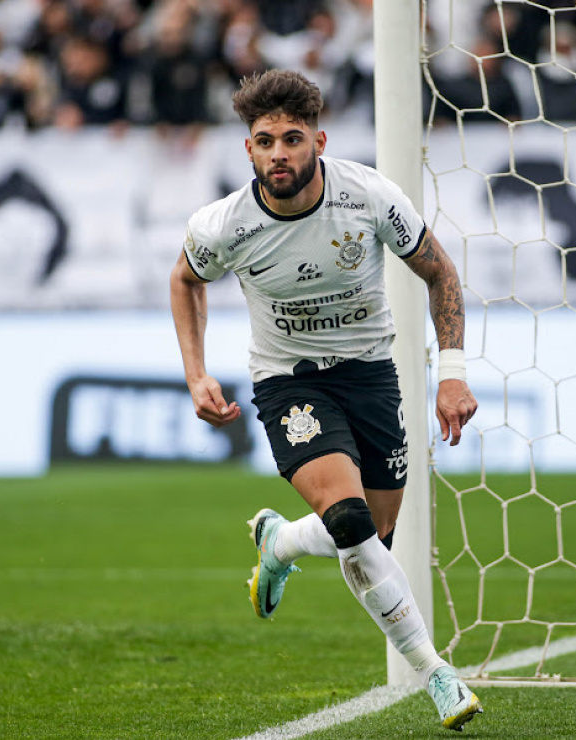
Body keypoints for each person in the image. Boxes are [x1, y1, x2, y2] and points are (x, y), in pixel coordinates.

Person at [169, 69, 483, 731]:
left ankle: (280, 543)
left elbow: (437, 270)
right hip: (291, 382)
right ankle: (437, 674)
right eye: (263, 141)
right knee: (349, 524)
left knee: (375, 535)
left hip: (371, 375)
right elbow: (185, 278)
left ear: (317, 140)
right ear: (247, 150)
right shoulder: (224, 223)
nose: (277, 152)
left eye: (290, 138)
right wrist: (195, 372)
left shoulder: (367, 196)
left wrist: (450, 372)